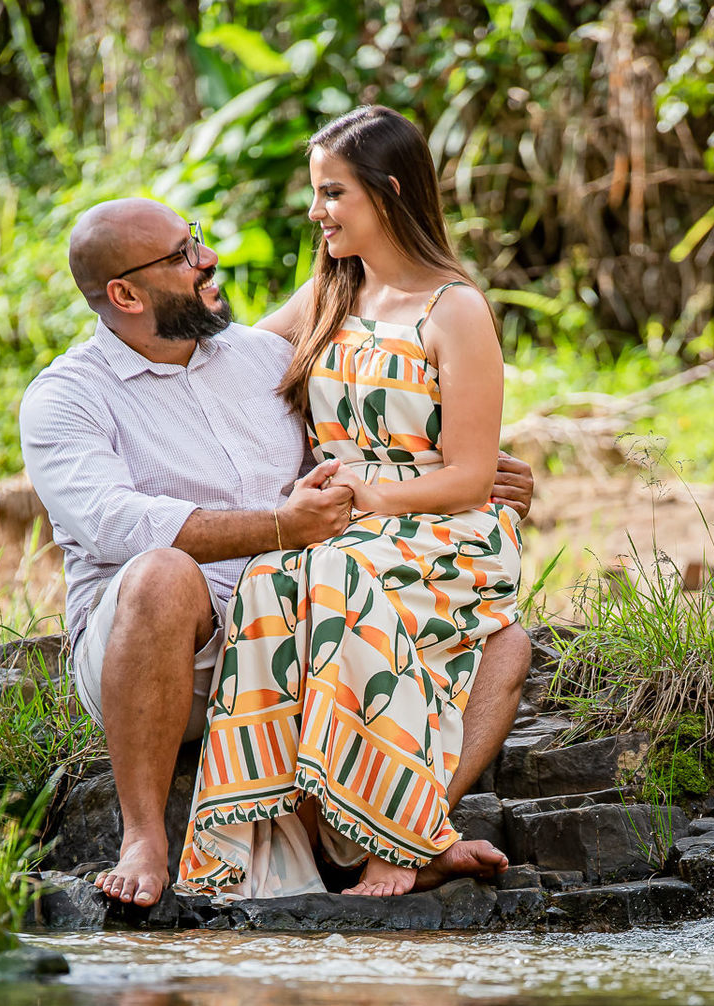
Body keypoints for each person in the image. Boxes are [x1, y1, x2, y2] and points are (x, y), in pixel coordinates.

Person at [19, 196, 534, 908]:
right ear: (126, 294)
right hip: (167, 649)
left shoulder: (261, 358)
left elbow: (362, 419)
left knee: (504, 641)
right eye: (181, 255)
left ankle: (406, 831)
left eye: (195, 237)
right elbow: (114, 523)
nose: (208, 259)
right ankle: (144, 837)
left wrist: (472, 472)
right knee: (163, 573)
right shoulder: (66, 397)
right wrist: (278, 527)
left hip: (292, 626)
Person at [176, 106, 523, 900]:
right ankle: (267, 844)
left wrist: (371, 495)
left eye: (332, 193)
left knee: (333, 578)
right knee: (268, 580)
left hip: (447, 532)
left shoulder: (454, 309)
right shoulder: (327, 295)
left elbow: (471, 477)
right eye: (315, 193)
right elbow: (226, 366)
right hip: (346, 528)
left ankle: (397, 840)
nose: (315, 212)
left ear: (389, 191)